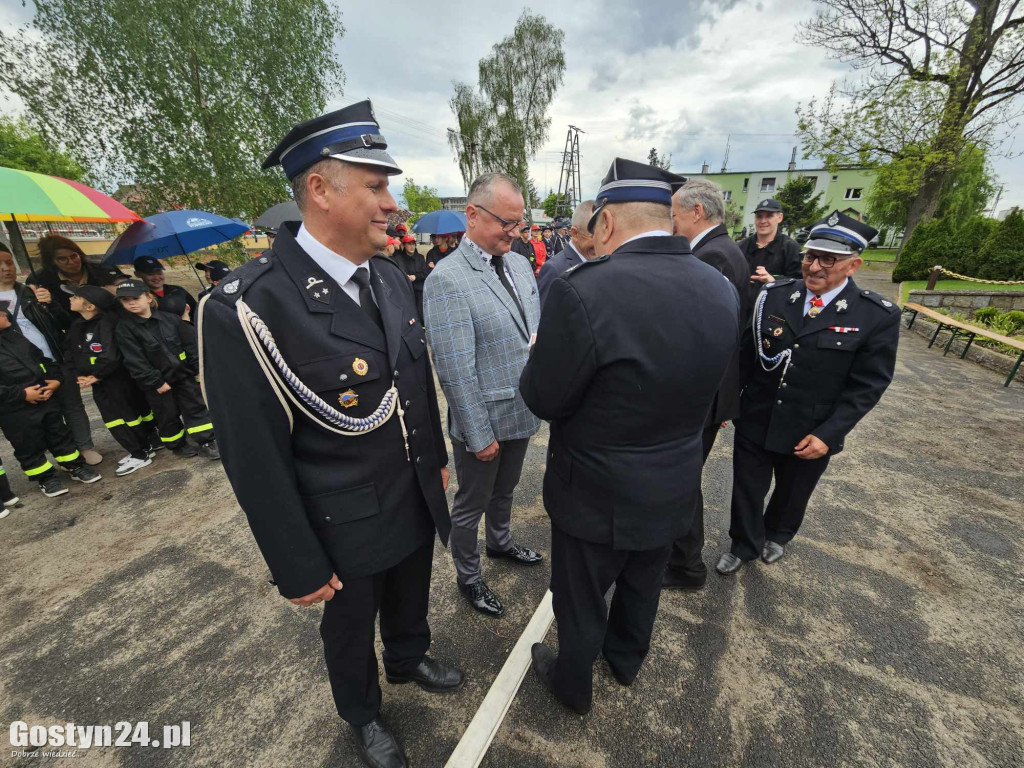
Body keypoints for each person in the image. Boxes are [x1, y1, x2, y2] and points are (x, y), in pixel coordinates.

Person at [199, 100, 464, 768]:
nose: (392, 203)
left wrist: (433, 464)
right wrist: (297, 562)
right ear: (319, 189)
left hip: (408, 490)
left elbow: (413, 381)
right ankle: (363, 714)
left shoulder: (389, 278)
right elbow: (252, 455)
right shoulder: (250, 306)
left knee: (411, 591)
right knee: (349, 628)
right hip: (339, 520)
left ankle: (407, 658)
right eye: (376, 186)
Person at [520, 158, 740, 716]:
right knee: (643, 583)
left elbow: (544, 398)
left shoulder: (584, 291)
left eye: (594, 228)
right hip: (672, 480)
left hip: (594, 489)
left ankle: (574, 683)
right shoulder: (718, 287)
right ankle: (624, 661)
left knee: (580, 594)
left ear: (608, 224)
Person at [716, 211, 899, 575]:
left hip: (813, 426)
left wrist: (830, 435)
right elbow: (745, 354)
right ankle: (743, 543)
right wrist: (727, 402)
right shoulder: (773, 296)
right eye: (810, 256)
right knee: (747, 488)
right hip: (758, 414)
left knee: (792, 491)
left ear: (854, 265)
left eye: (828, 260)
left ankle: (777, 534)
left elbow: (869, 385)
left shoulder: (875, 315)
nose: (813, 267)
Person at [423, 172, 543, 619]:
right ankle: (469, 576)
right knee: (470, 504)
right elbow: (453, 369)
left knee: (506, 491)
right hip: (484, 420)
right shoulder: (447, 279)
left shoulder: (517, 263)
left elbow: (531, 330)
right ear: (472, 215)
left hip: (520, 409)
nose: (514, 232)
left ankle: (501, 543)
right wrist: (477, 433)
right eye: (506, 223)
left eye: (519, 223)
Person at [662, 179, 750, 591]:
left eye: (675, 214)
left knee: (681, 481)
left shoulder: (714, 256)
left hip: (701, 398)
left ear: (697, 212)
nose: (671, 223)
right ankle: (680, 557)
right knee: (682, 478)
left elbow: (702, 335)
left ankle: (685, 566)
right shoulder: (719, 250)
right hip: (710, 396)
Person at [0, 242, 102, 465]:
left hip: (56, 358)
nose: (5, 268)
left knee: (72, 405)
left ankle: (84, 446)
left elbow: (66, 323)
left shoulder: (31, 291)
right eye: (0, 263)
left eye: (8, 262)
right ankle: (57, 456)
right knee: (41, 416)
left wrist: (51, 304)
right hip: (21, 371)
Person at [0, 307, 103, 497]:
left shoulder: (16, 337)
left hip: (44, 397)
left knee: (59, 433)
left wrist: (55, 380)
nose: (5, 315)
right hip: (13, 409)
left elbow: (43, 360)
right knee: (28, 444)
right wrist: (22, 394)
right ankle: (46, 478)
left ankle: (74, 466)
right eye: (0, 314)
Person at [114, 279, 219, 459]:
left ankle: (206, 441)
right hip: (158, 384)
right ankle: (177, 444)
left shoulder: (170, 319)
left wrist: (197, 370)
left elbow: (191, 346)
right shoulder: (125, 329)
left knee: (195, 408)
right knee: (167, 415)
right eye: (125, 300)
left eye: (135, 298)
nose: (130, 303)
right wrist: (156, 381)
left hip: (183, 376)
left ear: (148, 297)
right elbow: (135, 360)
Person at [64, 285, 154, 476]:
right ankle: (137, 450)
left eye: (76, 296)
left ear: (90, 306)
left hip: (115, 381)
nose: (70, 299)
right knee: (112, 420)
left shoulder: (107, 324)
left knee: (127, 416)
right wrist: (78, 374)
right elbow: (72, 353)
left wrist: (97, 374)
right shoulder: (77, 325)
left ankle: (141, 453)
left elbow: (112, 356)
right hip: (98, 383)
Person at [30, 234, 123, 322]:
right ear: (52, 261)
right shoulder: (41, 280)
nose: (71, 262)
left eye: (74, 256)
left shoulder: (105, 270)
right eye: (62, 259)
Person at [738, 198, 802, 313]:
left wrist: (773, 280)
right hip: (741, 310)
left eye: (769, 216)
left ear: (780, 217)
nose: (763, 221)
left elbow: (799, 283)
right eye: (759, 216)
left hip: (773, 312)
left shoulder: (790, 248)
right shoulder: (741, 246)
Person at [536, 201, 596, 306]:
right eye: (594, 235)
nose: (602, 241)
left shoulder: (600, 262)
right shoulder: (554, 270)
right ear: (575, 233)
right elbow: (547, 317)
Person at [132, 256, 198, 321]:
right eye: (150, 274)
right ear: (137, 274)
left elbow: (196, 311)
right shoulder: (139, 296)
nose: (156, 277)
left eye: (159, 273)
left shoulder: (178, 290)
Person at [395, 235, 429, 322]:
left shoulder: (420, 257)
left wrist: (415, 276)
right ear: (404, 245)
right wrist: (406, 277)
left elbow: (425, 273)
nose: (412, 246)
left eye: (413, 244)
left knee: (421, 315)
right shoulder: (399, 258)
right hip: (407, 291)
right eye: (409, 244)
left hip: (420, 291)